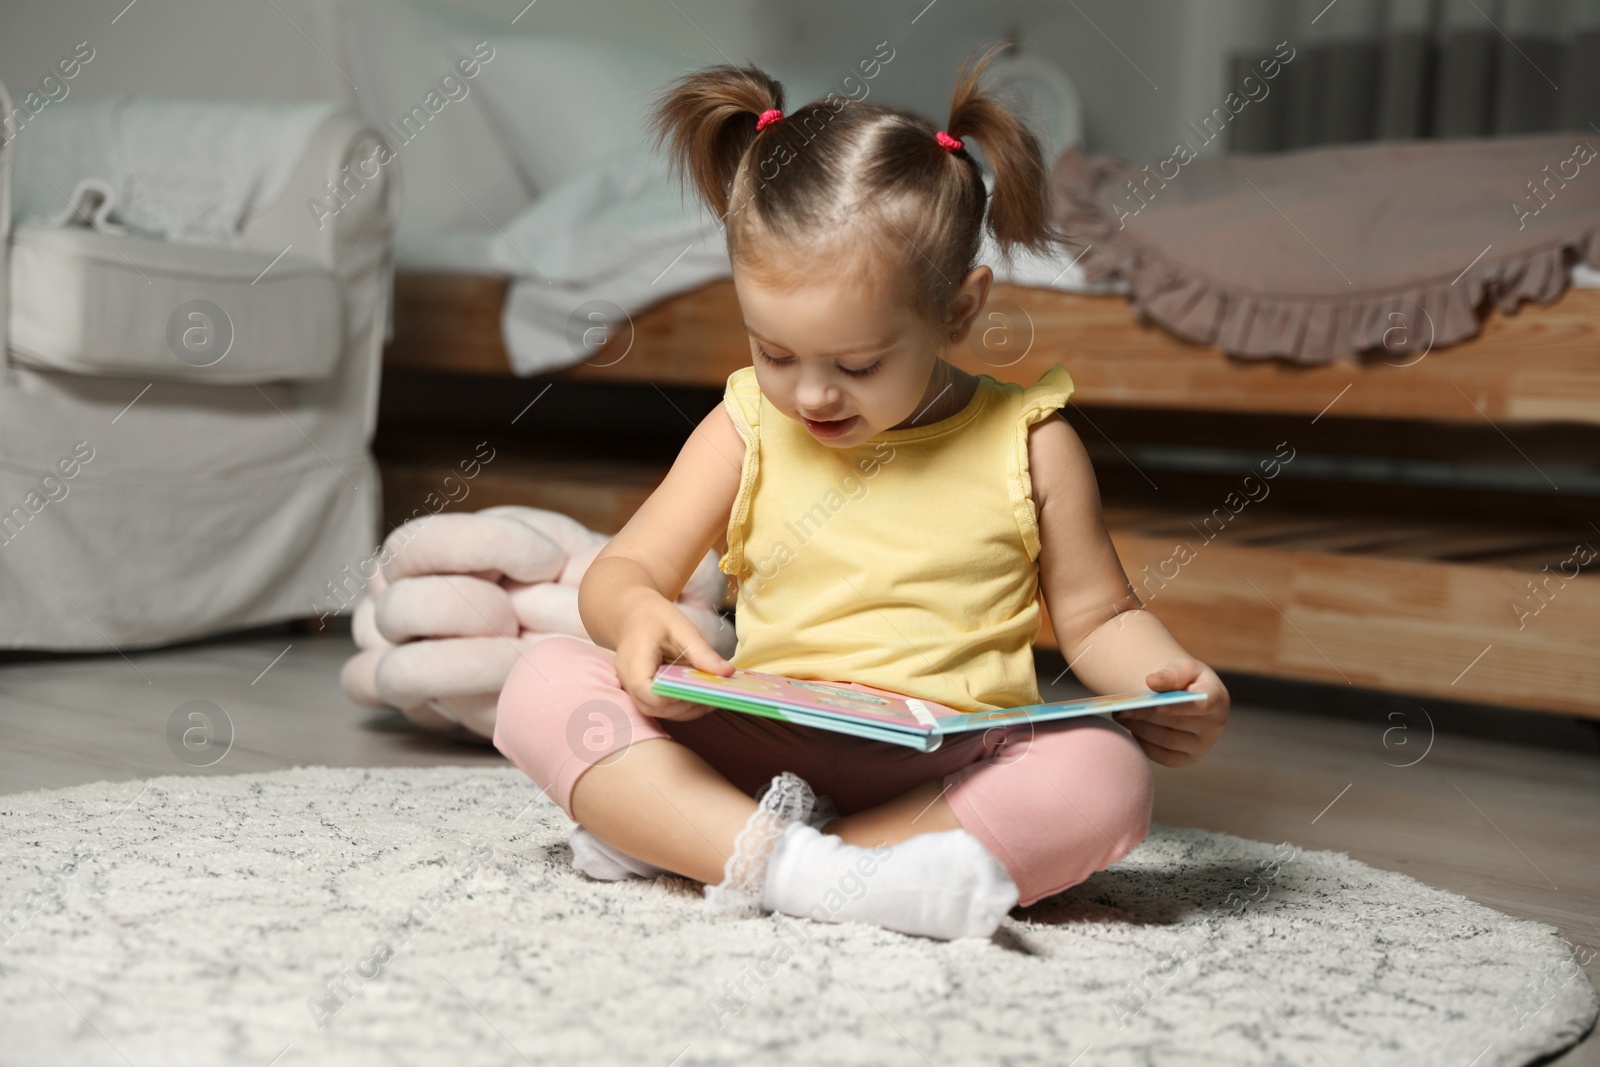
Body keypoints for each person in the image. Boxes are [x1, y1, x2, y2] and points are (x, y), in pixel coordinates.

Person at [494, 41, 1229, 941]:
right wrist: (636, 612)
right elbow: (625, 570)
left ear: (959, 310)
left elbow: (1102, 618)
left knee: (1103, 774)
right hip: (754, 737)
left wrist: (1167, 680)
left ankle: (729, 847)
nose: (810, 395)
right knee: (542, 678)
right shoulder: (743, 426)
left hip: (945, 766)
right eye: (774, 352)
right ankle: (827, 872)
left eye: (856, 363)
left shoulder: (1036, 446)